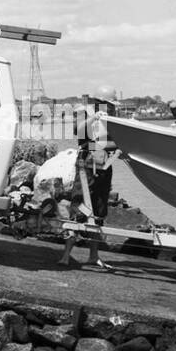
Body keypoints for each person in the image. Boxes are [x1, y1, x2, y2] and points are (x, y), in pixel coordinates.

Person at [58, 101, 118, 270]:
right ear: (101, 102)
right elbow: (79, 132)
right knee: (79, 208)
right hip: (86, 167)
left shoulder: (112, 120)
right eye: (109, 105)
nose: (112, 108)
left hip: (104, 168)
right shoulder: (84, 114)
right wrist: (94, 118)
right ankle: (65, 255)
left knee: (98, 212)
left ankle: (94, 256)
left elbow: (114, 144)